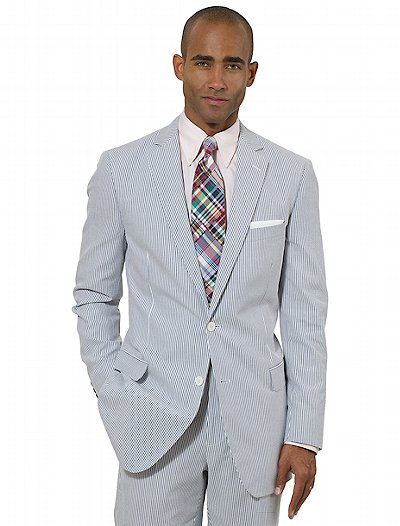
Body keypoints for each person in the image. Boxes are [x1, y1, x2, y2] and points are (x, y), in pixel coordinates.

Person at [72, 6, 328, 525]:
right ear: (179, 66)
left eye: (232, 65)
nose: (216, 80)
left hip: (255, 424)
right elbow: (94, 296)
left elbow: (305, 314)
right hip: (150, 416)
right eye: (203, 62)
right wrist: (113, 390)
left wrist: (304, 433)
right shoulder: (122, 169)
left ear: (252, 73)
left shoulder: (291, 174)